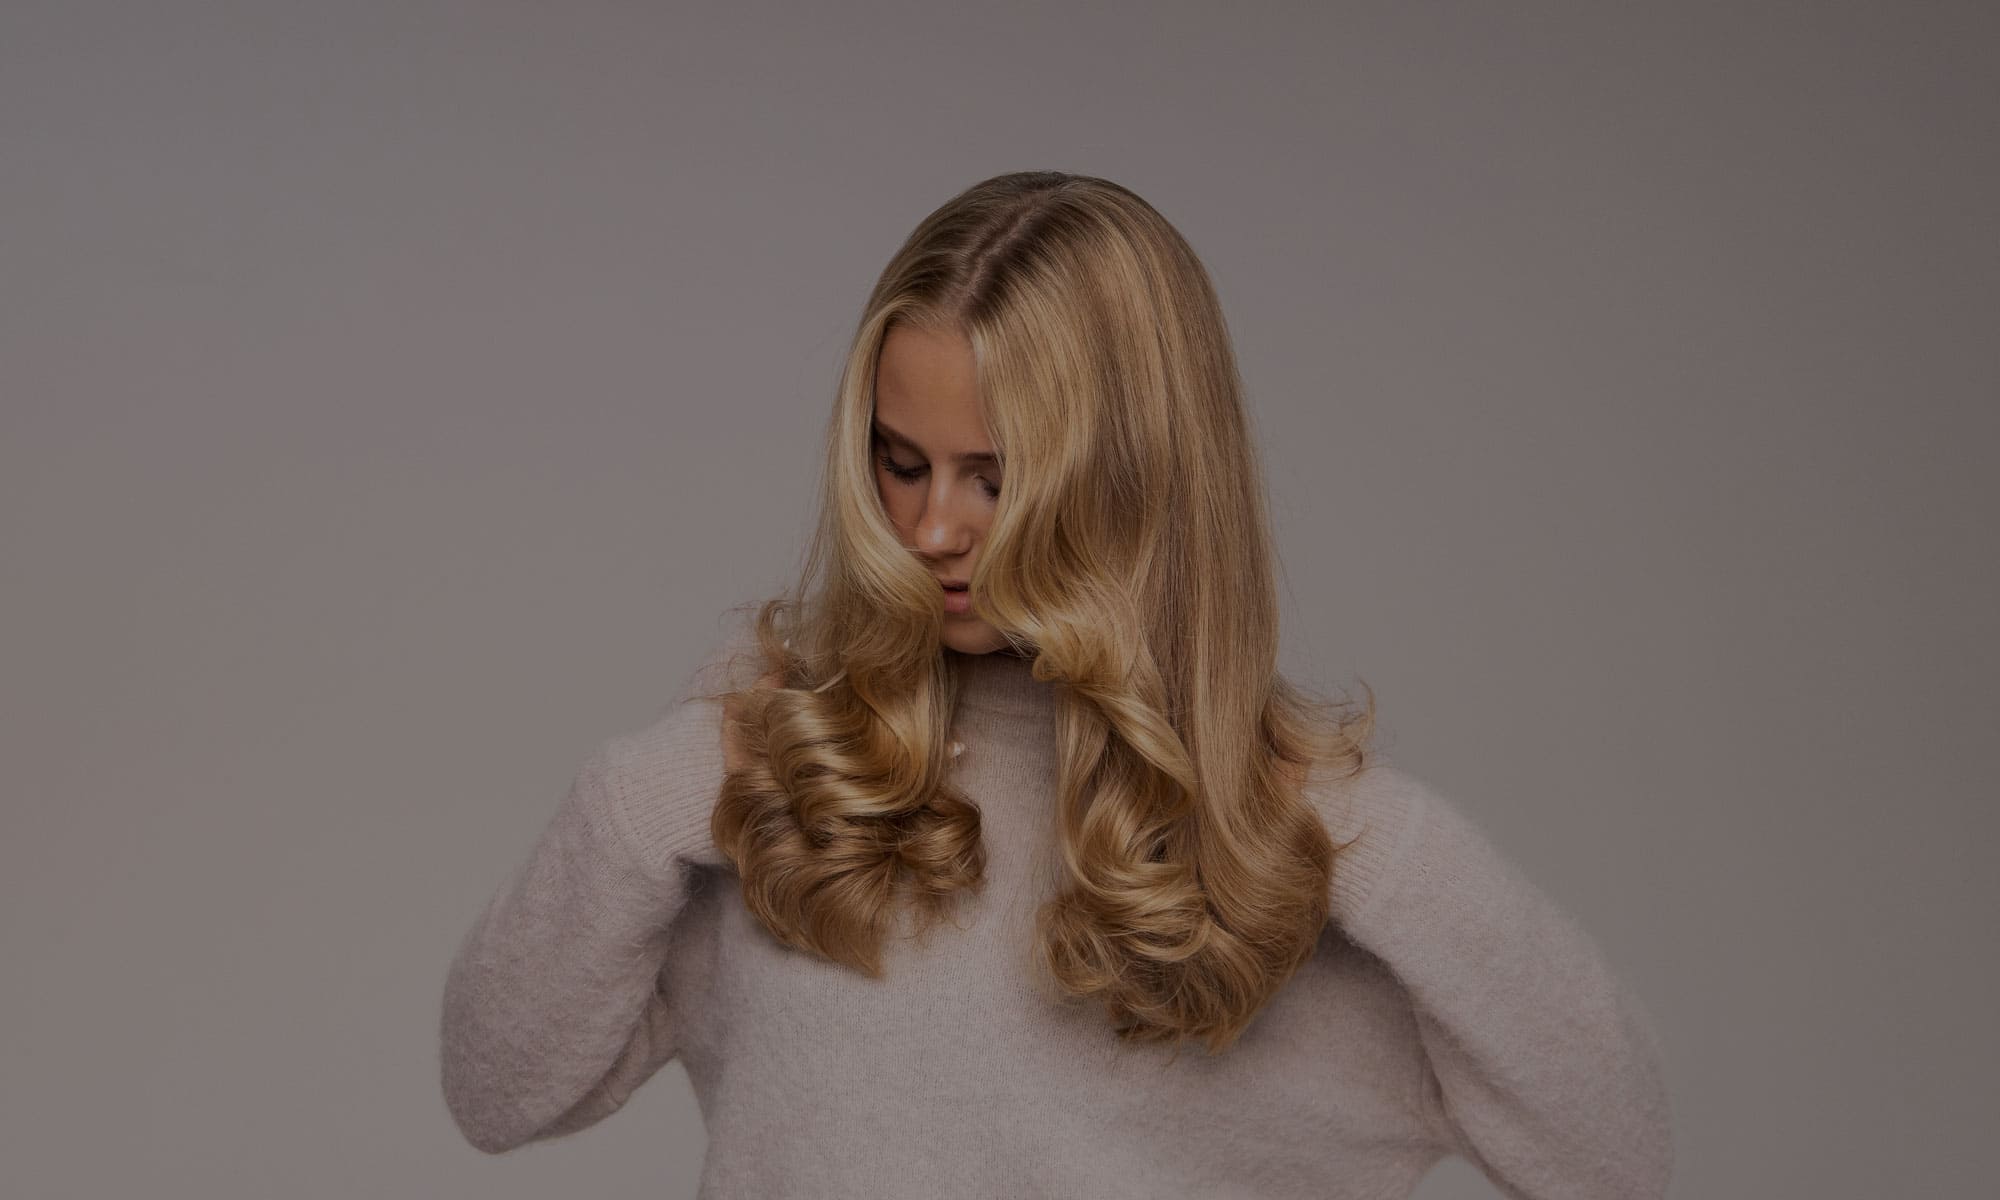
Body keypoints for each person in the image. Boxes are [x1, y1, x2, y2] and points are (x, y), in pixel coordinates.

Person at [438, 170, 1674, 1198]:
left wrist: (1371, 844)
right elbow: (495, 1093)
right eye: (900, 462)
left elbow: (1614, 1159)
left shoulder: (1294, 853)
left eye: (995, 478)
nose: (931, 529)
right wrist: (649, 793)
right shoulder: (785, 761)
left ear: (1134, 481)